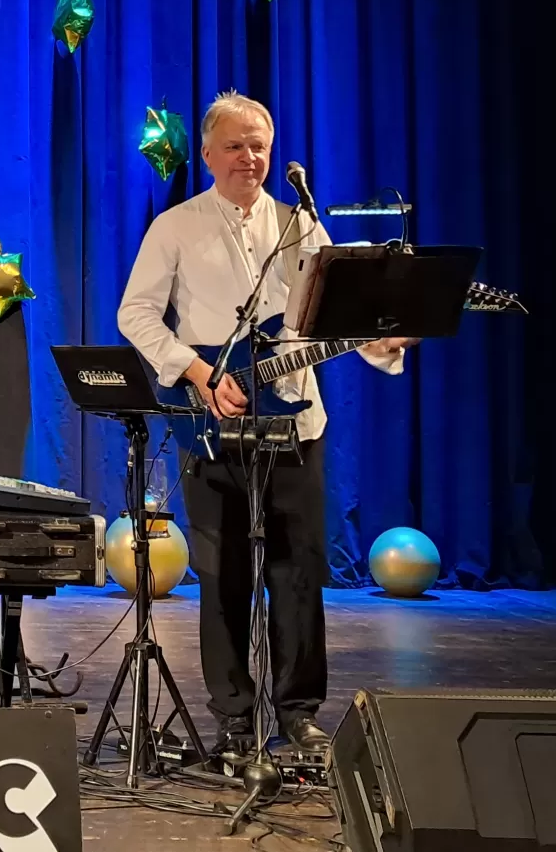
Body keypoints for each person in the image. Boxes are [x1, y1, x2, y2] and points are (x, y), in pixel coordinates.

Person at [117, 91, 413, 755]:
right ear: (207, 154)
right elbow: (135, 313)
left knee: (298, 572)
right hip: (214, 421)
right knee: (222, 574)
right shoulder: (175, 226)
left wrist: (381, 343)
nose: (248, 157)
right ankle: (232, 714)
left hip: (297, 424)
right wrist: (197, 371)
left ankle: (299, 713)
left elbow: (339, 313)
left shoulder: (301, 223)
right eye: (235, 146)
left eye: (259, 146)